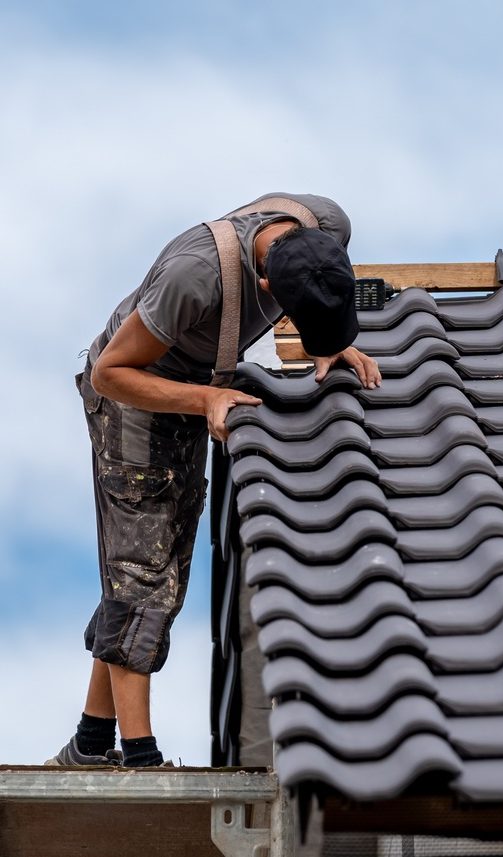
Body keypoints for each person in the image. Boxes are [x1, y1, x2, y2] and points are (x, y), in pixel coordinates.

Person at [49, 193, 381, 767]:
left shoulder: (325, 225)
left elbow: (318, 285)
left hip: (198, 390)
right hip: (136, 395)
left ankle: (91, 741)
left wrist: (332, 337)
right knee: (143, 578)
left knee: (163, 573)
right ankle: (139, 758)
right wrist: (204, 396)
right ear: (268, 285)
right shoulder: (195, 276)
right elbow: (110, 375)